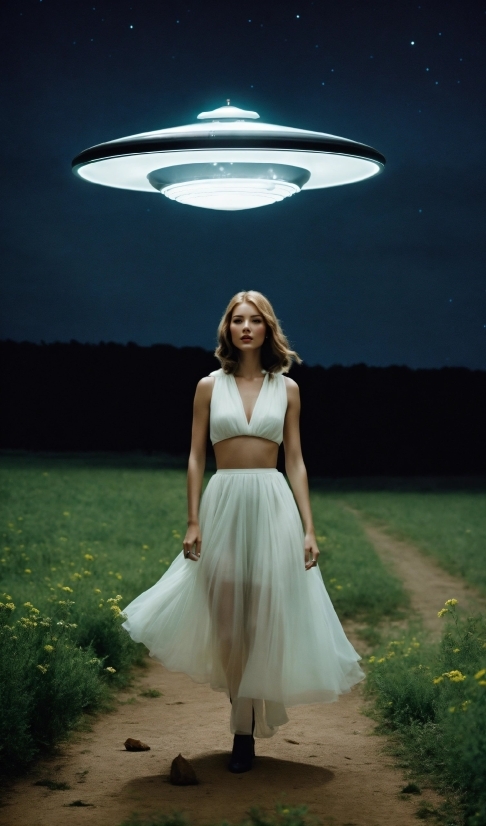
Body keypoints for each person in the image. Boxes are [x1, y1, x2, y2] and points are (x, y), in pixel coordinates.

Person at [121, 290, 365, 773]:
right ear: (227, 329)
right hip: (223, 503)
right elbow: (194, 456)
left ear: (267, 328)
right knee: (229, 625)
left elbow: (295, 460)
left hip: (273, 506)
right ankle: (242, 718)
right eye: (238, 320)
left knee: (261, 621)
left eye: (255, 320)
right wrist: (192, 519)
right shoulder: (208, 386)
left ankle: (243, 734)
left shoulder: (288, 389)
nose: (246, 327)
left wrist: (308, 529)